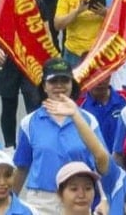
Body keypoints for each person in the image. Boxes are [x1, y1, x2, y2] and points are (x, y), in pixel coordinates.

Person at [13, 58, 110, 214]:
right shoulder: (29, 122)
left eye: (64, 80)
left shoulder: (87, 120)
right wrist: (10, 203)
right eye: (53, 81)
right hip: (42, 201)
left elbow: (103, 163)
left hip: (79, 197)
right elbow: (22, 167)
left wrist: (105, 199)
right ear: (44, 86)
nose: (59, 86)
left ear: (72, 84)